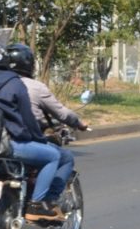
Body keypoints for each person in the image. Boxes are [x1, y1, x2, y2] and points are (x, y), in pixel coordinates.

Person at [0, 41, 64, 222]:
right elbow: (27, 119)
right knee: (54, 156)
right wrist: (39, 139)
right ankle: (36, 205)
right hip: (10, 146)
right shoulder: (14, 83)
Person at [6, 43, 87, 203]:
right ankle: (45, 202)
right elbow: (62, 113)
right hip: (20, 142)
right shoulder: (33, 87)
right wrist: (78, 122)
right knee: (62, 157)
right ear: (29, 65)